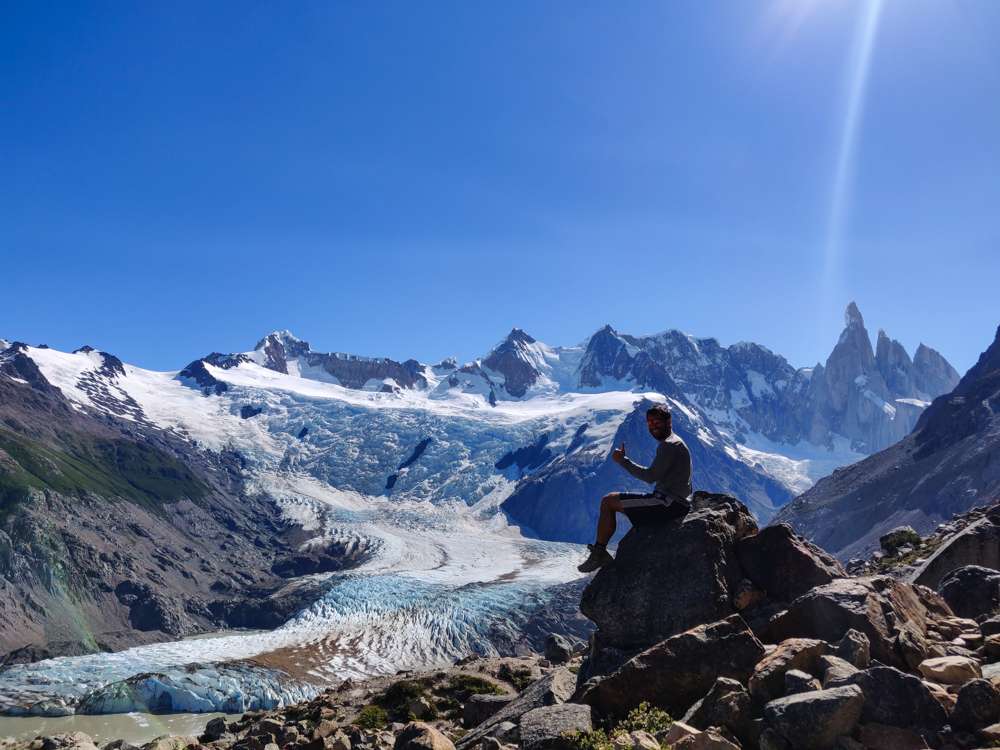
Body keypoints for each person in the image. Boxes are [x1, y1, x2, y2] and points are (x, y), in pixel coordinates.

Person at [577, 404, 693, 573]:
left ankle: (599, 553)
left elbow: (650, 476)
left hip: (668, 504)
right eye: (649, 422)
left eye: (657, 421)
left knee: (608, 501)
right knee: (612, 500)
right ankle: (600, 552)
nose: (653, 425)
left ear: (668, 422)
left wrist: (622, 460)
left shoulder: (669, 445)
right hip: (674, 502)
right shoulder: (674, 442)